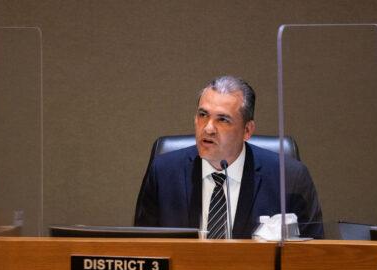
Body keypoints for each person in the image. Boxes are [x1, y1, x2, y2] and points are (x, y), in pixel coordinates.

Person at [135, 76, 323, 238]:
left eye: (222, 120)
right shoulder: (163, 172)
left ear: (247, 130)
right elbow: (143, 251)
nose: (208, 128)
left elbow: (312, 258)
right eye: (203, 115)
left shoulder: (289, 178)